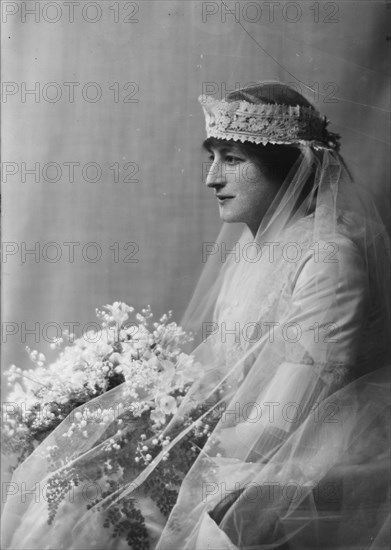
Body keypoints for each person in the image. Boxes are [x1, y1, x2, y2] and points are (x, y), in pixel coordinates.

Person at [2, 82, 390, 549]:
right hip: (235, 435)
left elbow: (283, 420)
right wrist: (138, 421)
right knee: (73, 483)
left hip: (301, 455)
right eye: (213, 158)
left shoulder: (328, 260)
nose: (212, 178)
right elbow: (227, 377)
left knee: (101, 506)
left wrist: (165, 449)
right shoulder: (256, 246)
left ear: (287, 168)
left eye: (232, 158)